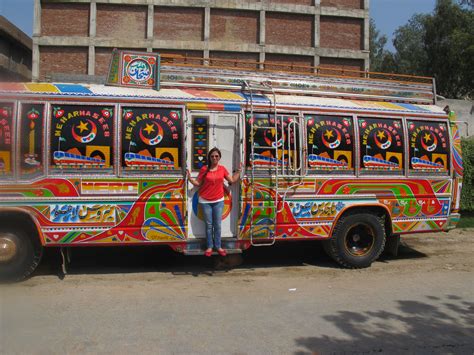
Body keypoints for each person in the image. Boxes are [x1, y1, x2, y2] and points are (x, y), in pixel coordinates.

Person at [187, 148, 242, 257]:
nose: (214, 158)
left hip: (218, 200)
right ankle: (209, 247)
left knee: (217, 225)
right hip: (204, 201)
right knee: (209, 225)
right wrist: (189, 178)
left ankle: (218, 246)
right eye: (212, 156)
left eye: (216, 156)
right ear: (209, 158)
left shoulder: (222, 169)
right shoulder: (204, 169)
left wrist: (239, 171)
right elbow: (198, 182)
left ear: (219, 157)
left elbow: (231, 180)